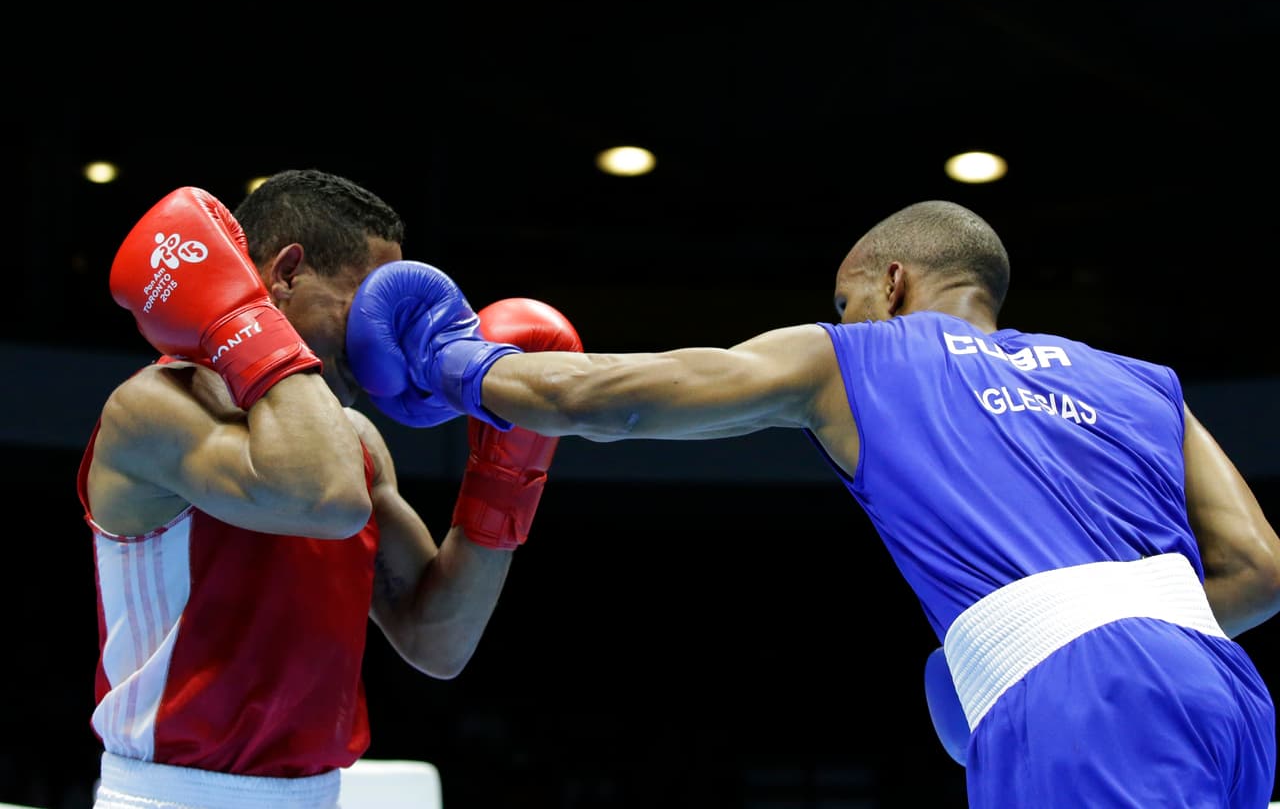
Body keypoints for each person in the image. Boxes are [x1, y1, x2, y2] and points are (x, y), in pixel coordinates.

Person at [348, 200, 1280, 807]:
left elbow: (610, 398)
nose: (844, 319)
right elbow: (1261, 570)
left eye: (846, 300)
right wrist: (1020, 644)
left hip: (1084, 705)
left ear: (892, 284)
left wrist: (454, 361)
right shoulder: (1141, 381)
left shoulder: (857, 355)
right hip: (1227, 693)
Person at [78, 169, 582, 809]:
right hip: (175, 796)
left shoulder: (354, 442)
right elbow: (326, 500)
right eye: (369, 303)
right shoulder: (154, 407)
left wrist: (506, 472)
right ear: (287, 274)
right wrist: (254, 328)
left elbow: (437, 641)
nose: (382, 338)